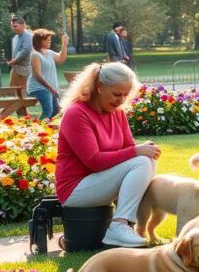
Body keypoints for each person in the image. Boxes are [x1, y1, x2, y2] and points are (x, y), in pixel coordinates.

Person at [56, 62, 160, 248]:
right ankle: (118, 226)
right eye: (116, 94)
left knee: (147, 159)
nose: (121, 100)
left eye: (125, 95)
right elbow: (93, 161)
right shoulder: (76, 113)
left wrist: (141, 150)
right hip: (75, 190)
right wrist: (137, 150)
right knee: (142, 161)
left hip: (98, 183)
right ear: (99, 87)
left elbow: (128, 148)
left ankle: (126, 225)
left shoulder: (117, 113)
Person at [26, 29, 69, 120]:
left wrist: (64, 44)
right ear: (39, 41)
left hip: (49, 88)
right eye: (47, 39)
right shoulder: (35, 55)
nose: (50, 41)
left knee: (55, 112)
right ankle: (37, 131)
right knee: (48, 111)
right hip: (40, 88)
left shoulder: (49, 52)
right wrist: (50, 87)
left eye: (50, 39)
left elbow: (61, 59)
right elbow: (37, 74)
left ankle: (48, 132)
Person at [7, 16, 32, 89]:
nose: (14, 28)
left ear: (23, 25)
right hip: (15, 69)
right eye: (12, 26)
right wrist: (13, 62)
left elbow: (25, 51)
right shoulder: (15, 38)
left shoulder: (28, 36)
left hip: (25, 70)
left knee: (25, 92)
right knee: (12, 91)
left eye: (16, 26)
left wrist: (14, 61)